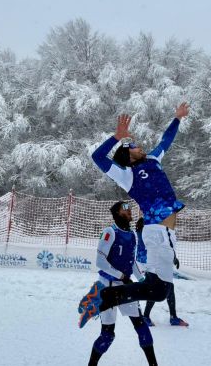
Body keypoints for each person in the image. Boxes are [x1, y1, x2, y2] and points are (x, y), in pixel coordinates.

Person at [77, 102, 189, 329]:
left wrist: (177, 118)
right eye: (134, 146)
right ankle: (105, 297)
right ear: (127, 156)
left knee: (158, 290)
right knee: (158, 290)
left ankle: (105, 296)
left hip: (163, 232)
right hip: (158, 231)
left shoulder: (153, 160)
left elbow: (166, 140)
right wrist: (117, 137)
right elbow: (98, 157)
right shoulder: (126, 175)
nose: (139, 147)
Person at [88, 201, 158, 366]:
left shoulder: (132, 235)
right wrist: (121, 275)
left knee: (141, 326)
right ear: (117, 213)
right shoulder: (109, 232)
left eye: (129, 208)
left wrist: (142, 280)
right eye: (125, 208)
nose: (129, 210)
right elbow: (100, 261)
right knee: (108, 336)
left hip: (126, 287)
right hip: (108, 288)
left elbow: (132, 262)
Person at [136, 217, 188, 327]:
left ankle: (171, 317)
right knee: (158, 288)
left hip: (150, 262)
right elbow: (157, 246)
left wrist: (173, 257)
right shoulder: (149, 227)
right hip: (151, 263)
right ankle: (148, 316)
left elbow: (163, 245)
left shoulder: (149, 226)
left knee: (166, 288)